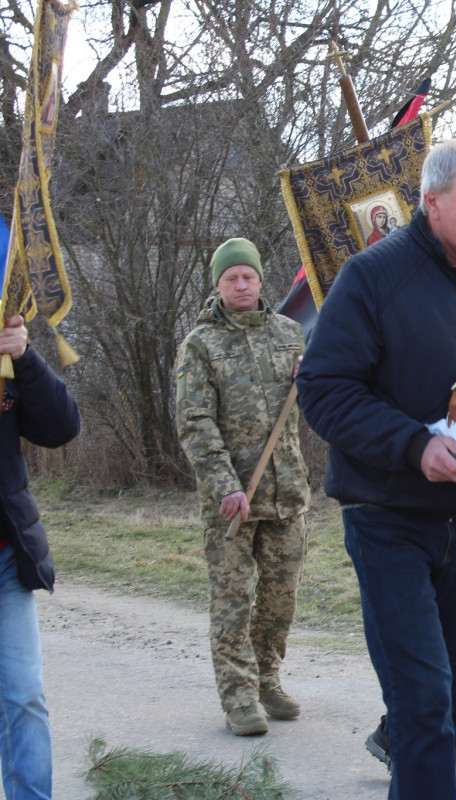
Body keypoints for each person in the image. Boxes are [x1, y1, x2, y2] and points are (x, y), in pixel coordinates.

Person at [296, 136, 456, 800]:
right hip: (387, 515)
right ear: (432, 202)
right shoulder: (372, 276)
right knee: (423, 696)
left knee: (455, 687)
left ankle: (420, 767)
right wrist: (416, 446)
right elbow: (324, 389)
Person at [175, 237, 310, 737]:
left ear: (259, 280)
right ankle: (238, 697)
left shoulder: (291, 334)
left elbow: (317, 405)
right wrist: (224, 486)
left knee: (279, 601)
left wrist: (314, 379)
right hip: (232, 501)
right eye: (230, 278)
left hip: (287, 494)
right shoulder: (201, 344)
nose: (240, 285)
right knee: (233, 600)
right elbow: (194, 421)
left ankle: (267, 679)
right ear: (218, 284)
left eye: (247, 276)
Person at [0, 315, 80, 799]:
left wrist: (24, 356)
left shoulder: (7, 364)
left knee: (24, 696)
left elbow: (61, 428)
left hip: (6, 561)